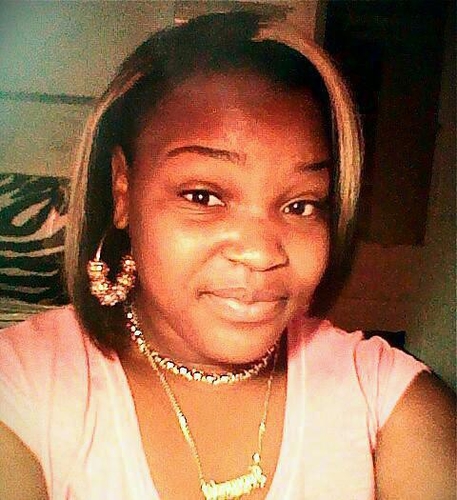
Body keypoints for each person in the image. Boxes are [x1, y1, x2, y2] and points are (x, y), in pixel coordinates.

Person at [0, 12, 455, 500]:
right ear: (123, 191)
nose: (260, 254)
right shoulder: (23, 386)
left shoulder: (388, 400)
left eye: (301, 205)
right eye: (203, 196)